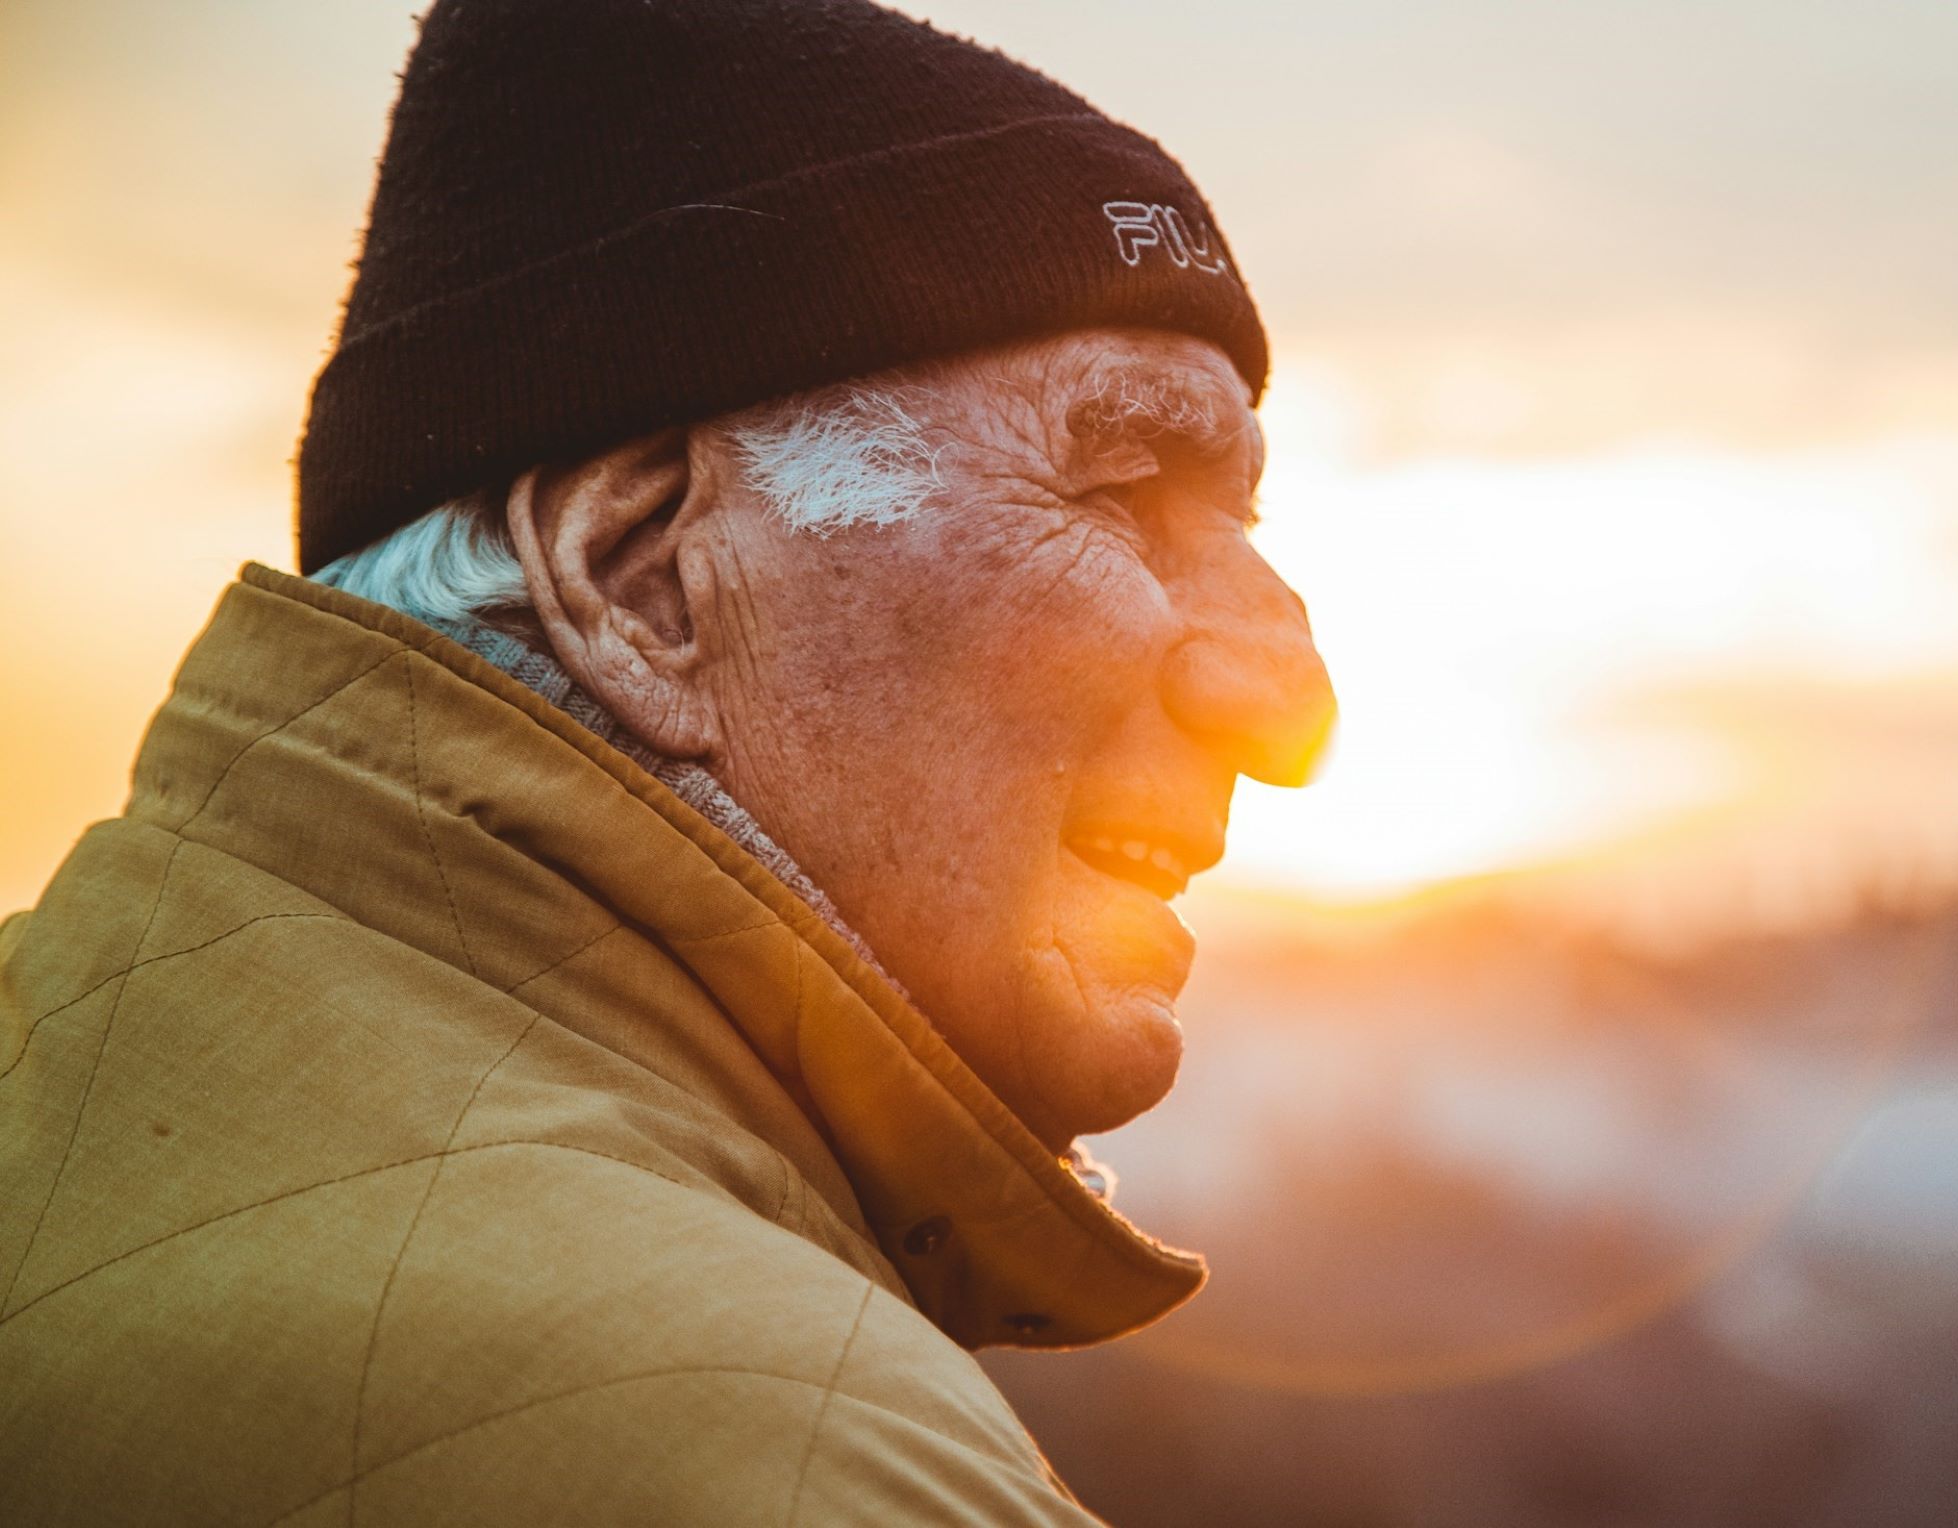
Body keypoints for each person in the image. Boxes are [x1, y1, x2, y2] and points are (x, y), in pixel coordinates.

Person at [0, 1, 1333, 1521]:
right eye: (1119, 491)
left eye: (1248, 532)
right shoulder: (798, 1461)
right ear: (639, 584)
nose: (1289, 704)